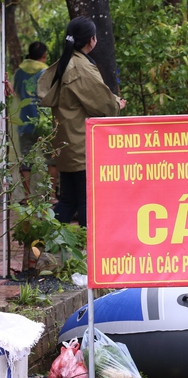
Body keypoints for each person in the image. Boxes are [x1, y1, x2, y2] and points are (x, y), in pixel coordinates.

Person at [37, 16, 126, 226]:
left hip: (67, 144)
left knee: (69, 200)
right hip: (82, 146)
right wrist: (116, 104)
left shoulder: (67, 62)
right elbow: (101, 104)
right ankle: (87, 250)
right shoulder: (80, 67)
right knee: (87, 202)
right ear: (91, 40)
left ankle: (42, 245)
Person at [12, 42, 58, 202]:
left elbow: (16, 92)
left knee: (26, 160)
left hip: (25, 122)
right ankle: (51, 196)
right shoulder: (46, 72)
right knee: (51, 160)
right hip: (43, 123)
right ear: (44, 55)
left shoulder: (19, 73)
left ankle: (26, 197)